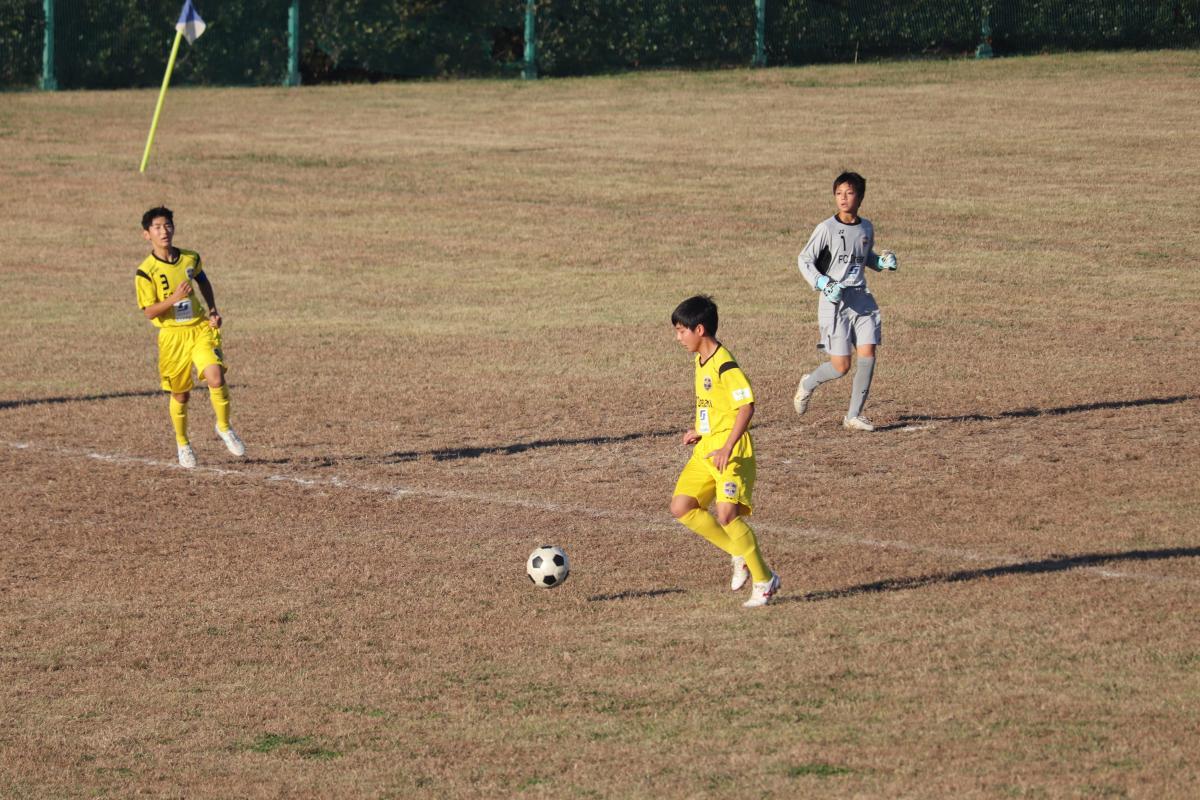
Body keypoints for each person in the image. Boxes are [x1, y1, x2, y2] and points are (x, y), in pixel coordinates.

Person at [669, 295, 780, 608]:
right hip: (707, 447)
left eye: (681, 331)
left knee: (727, 514)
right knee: (682, 507)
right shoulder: (700, 360)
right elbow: (712, 403)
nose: (678, 338)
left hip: (730, 451)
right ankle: (738, 552)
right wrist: (699, 430)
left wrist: (727, 447)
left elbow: (746, 406)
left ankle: (764, 580)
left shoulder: (725, 365)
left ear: (699, 329)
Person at [135, 206, 245, 468]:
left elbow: (203, 281)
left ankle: (224, 426)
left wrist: (213, 310)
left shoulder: (190, 258)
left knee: (216, 376)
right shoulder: (145, 271)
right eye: (157, 227)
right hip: (172, 337)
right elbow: (149, 312)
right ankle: (183, 443)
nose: (164, 231)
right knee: (181, 395)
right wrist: (174, 298)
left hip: (199, 329)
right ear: (147, 234)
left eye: (167, 225)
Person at [793, 171, 898, 431]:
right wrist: (824, 284)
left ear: (860, 197)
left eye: (849, 193)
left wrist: (881, 262)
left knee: (868, 353)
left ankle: (853, 416)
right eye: (839, 193)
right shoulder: (826, 229)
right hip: (834, 303)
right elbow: (804, 260)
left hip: (861, 299)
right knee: (841, 366)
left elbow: (864, 257)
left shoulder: (866, 227)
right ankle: (808, 383)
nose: (843, 198)